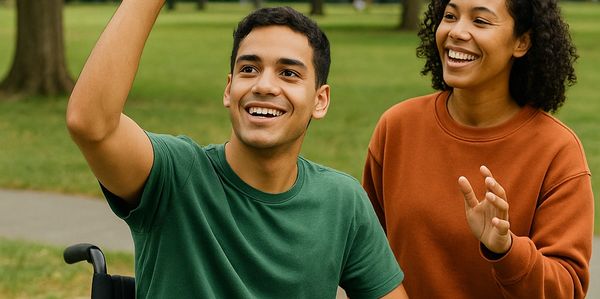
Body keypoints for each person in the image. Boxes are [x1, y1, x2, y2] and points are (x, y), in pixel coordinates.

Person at [66, 1, 408, 298]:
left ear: (321, 100)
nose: (264, 85)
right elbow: (91, 124)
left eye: (288, 73)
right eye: (249, 69)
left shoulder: (341, 202)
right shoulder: (174, 176)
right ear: (229, 90)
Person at [362, 0, 593, 298]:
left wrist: (506, 250)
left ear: (522, 42)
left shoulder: (558, 151)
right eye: (449, 16)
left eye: (480, 21)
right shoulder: (397, 127)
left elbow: (567, 289)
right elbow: (366, 256)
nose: (457, 31)